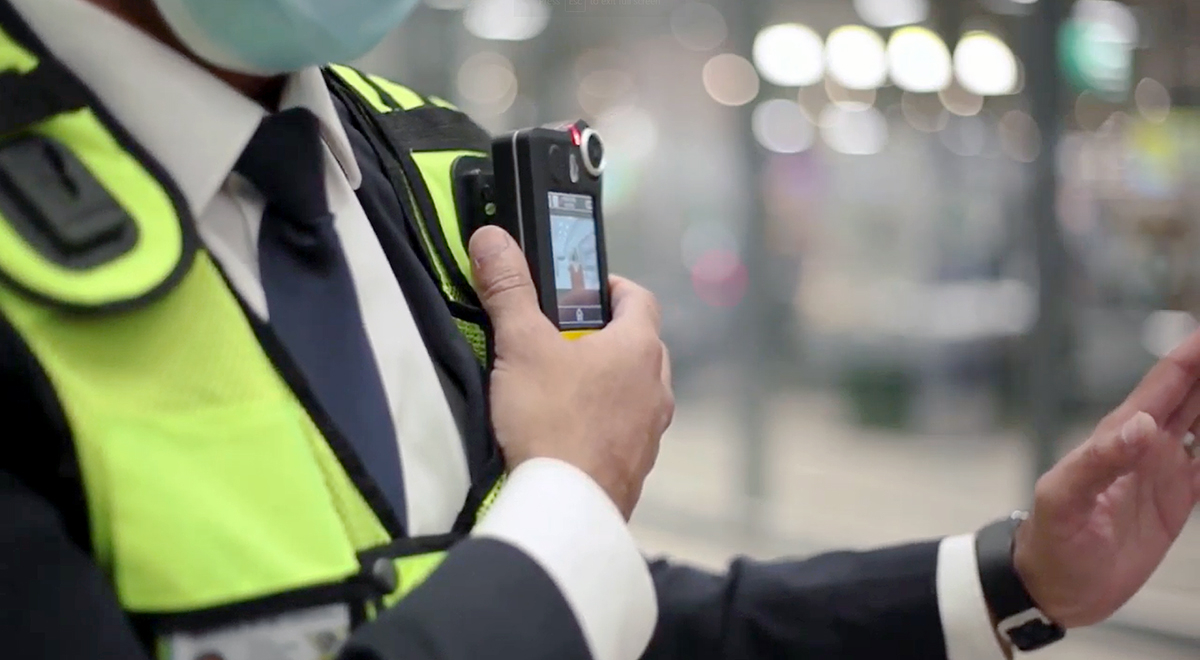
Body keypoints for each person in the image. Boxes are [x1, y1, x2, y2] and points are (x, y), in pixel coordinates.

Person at [0, 1, 1195, 660]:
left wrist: (1013, 580)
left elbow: (577, 609)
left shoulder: (414, 166)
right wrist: (575, 486)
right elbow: (554, 569)